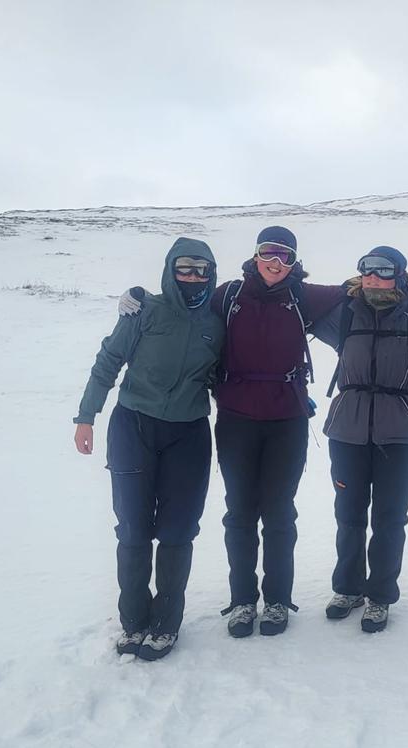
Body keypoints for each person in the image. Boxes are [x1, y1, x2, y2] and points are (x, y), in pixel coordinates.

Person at [119, 226, 347, 639]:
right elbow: (184, 306)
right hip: (237, 419)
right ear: (255, 255)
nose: (276, 264)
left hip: (287, 421)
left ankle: (277, 600)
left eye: (286, 257)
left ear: (295, 263)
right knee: (240, 511)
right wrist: (136, 297)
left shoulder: (302, 296)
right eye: (268, 253)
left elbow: (356, 290)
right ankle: (243, 600)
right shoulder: (228, 295)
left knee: (279, 511)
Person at [74, 237, 225, 661]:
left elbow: (232, 372)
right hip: (133, 428)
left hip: (189, 435)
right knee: (134, 529)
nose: (194, 276)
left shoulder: (218, 322)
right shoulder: (144, 309)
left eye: (202, 270)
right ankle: (134, 621)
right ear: (171, 269)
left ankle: (166, 624)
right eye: (186, 267)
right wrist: (86, 416)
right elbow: (109, 361)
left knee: (178, 531)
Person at [312, 246, 408, 633]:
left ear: (398, 276)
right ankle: (347, 589)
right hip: (347, 430)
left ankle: (380, 596)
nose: (372, 278)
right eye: (365, 271)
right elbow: (298, 303)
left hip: (398, 434)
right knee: (348, 515)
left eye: (382, 272)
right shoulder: (344, 314)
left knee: (389, 518)